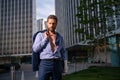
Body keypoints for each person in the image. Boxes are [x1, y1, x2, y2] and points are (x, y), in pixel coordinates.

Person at [32, 15, 68, 80]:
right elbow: (35, 49)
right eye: (50, 23)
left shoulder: (60, 37)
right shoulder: (40, 35)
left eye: (53, 23)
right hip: (45, 63)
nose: (51, 25)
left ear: (56, 24)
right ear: (47, 23)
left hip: (57, 63)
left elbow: (63, 51)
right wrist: (45, 39)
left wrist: (65, 65)